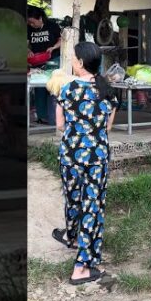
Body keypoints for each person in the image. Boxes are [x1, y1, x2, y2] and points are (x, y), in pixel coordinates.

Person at [52, 42, 118, 285]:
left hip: (70, 154)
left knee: (73, 198)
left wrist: (76, 130)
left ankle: (79, 258)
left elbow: (59, 126)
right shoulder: (108, 91)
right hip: (96, 157)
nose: (71, 61)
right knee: (92, 207)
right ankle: (78, 253)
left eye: (72, 58)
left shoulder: (66, 90)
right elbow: (108, 127)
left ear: (80, 63)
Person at [27, 5, 62, 124]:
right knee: (39, 89)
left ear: (40, 18)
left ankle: (54, 117)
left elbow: (61, 40)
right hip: (37, 61)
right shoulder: (29, 28)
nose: (31, 25)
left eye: (33, 22)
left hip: (53, 60)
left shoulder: (52, 26)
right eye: (29, 23)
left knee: (51, 87)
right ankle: (42, 117)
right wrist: (28, 50)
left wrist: (53, 47)